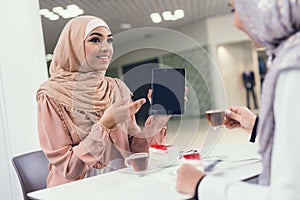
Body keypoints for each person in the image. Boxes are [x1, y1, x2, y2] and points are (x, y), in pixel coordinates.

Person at [176, 0, 300, 199]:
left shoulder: (293, 67)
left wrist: (201, 185)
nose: (236, 21)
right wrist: (258, 127)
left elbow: (290, 195)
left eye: (235, 9)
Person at [37, 16, 169, 187]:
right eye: (95, 40)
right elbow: (69, 168)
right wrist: (105, 125)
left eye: (109, 40)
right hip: (75, 191)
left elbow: (134, 149)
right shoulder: (51, 95)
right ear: (74, 46)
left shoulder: (116, 88)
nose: (106, 47)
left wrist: (158, 121)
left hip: (119, 184)